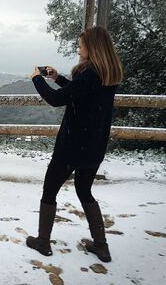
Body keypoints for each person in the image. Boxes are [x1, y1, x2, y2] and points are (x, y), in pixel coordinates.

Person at [26, 26, 123, 263]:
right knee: (84, 190)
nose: (78, 49)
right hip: (94, 147)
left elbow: (58, 99)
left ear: (92, 47)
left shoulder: (90, 74)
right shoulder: (107, 74)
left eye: (81, 45)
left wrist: (37, 79)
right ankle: (101, 246)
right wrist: (57, 77)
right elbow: (79, 93)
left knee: (50, 190)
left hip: (72, 146)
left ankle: (43, 241)